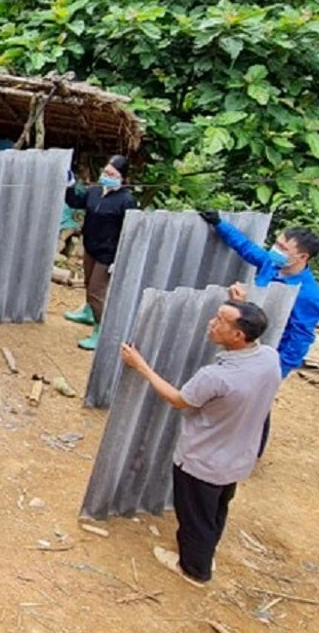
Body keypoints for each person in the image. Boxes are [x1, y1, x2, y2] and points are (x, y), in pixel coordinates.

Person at [119, 300, 280, 587]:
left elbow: (178, 400)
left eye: (220, 321)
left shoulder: (215, 377)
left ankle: (194, 569)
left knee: (195, 517)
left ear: (238, 335)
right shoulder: (268, 357)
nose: (211, 323)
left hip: (203, 461)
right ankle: (205, 551)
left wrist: (141, 366)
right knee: (215, 510)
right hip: (236, 458)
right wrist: (241, 300)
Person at [197, 212, 319, 378]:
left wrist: (276, 373)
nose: (276, 250)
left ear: (302, 257)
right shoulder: (272, 264)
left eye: (283, 248)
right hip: (246, 341)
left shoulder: (309, 295)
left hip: (266, 352)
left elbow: (299, 339)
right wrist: (219, 224)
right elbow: (246, 247)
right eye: (277, 244)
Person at [67, 155, 141, 350]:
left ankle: (100, 331)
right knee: (88, 281)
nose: (107, 176)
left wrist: (120, 258)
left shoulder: (126, 200)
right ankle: (88, 313)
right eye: (105, 172)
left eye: (112, 174)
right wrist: (70, 185)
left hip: (108, 254)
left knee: (96, 291)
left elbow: (131, 231)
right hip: (91, 245)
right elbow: (75, 201)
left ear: (122, 178)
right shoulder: (95, 191)